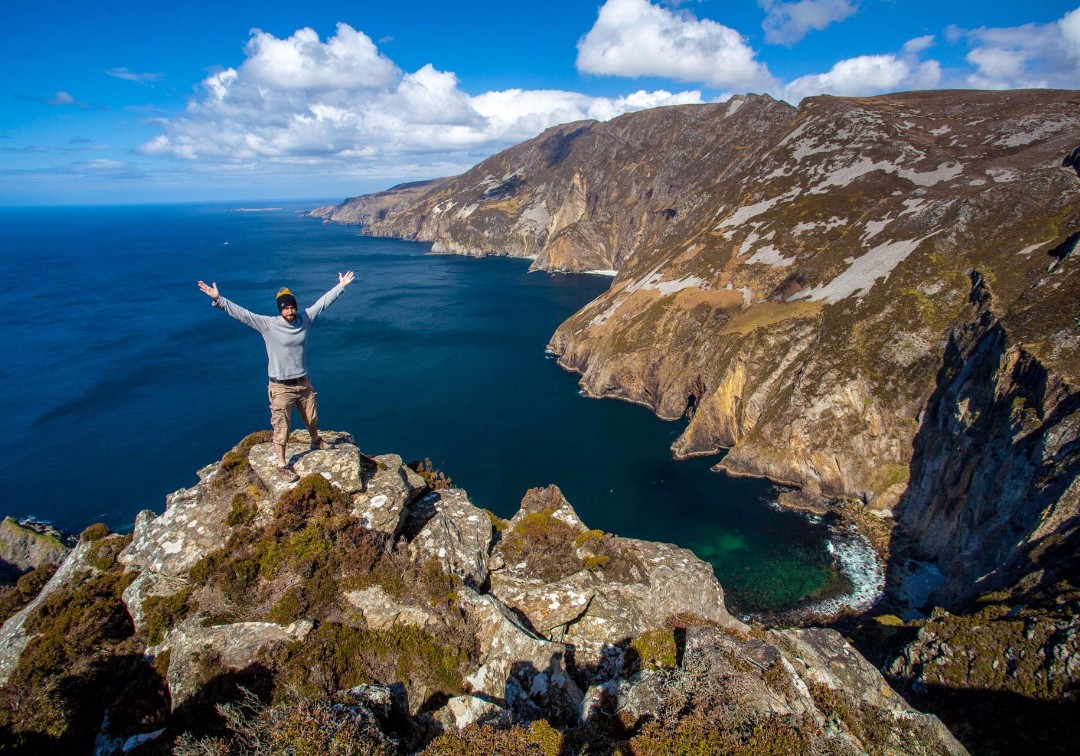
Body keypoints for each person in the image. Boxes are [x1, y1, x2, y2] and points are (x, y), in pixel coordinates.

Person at [197, 272, 355, 482]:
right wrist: (219, 299)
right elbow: (243, 315)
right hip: (280, 386)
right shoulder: (268, 325)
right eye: (285, 308)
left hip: (303, 381)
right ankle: (282, 465)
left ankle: (315, 440)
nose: (290, 311)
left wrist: (341, 286)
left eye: (292, 307)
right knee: (281, 428)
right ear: (280, 310)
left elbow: (322, 303)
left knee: (312, 417)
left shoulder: (304, 319)